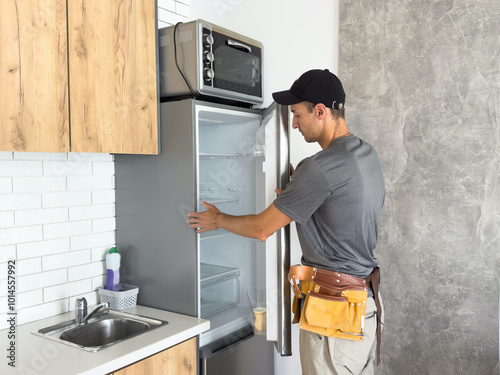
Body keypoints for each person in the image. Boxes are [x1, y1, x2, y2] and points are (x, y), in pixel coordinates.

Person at [187, 69, 385, 375]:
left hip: (334, 316)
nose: (293, 124)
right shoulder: (366, 155)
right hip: (363, 308)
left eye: (297, 114)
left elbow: (261, 229)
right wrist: (301, 190)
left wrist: (218, 219)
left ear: (320, 111)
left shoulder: (320, 169)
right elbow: (341, 211)